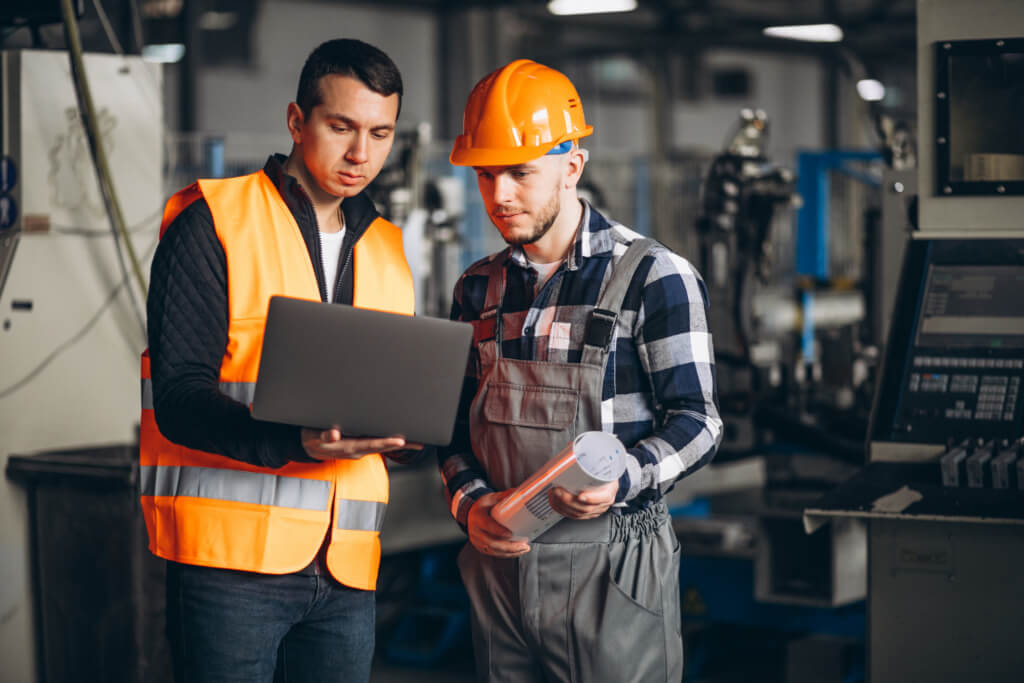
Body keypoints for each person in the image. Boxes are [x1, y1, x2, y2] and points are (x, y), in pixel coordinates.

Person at [142, 39, 417, 683]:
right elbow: (180, 397)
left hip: (348, 568)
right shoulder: (213, 222)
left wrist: (410, 436)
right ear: (297, 121)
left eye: (380, 133)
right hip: (229, 570)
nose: (360, 154)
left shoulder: (386, 247)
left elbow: (388, 392)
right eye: (341, 127)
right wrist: (294, 442)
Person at [439, 59, 722, 683]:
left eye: (520, 173)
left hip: (614, 570)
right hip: (499, 572)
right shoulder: (477, 289)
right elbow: (454, 433)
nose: (500, 196)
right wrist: (472, 506)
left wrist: (626, 474)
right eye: (486, 175)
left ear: (572, 167)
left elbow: (698, 423)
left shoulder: (652, 276)